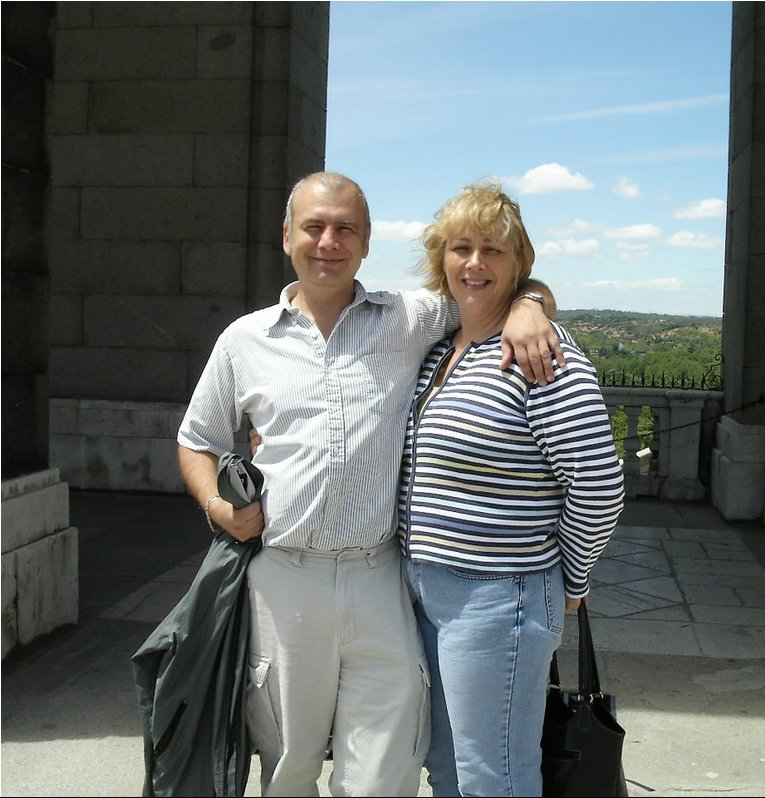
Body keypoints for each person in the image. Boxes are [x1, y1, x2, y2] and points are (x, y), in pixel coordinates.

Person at [176, 171, 566, 797]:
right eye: (314, 227)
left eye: (345, 230)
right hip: (285, 577)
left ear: (365, 244)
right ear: (286, 237)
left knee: (387, 764)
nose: (328, 241)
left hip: (381, 575)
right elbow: (196, 438)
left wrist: (530, 304)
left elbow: (488, 282)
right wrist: (217, 505)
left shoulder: (407, 319)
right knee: (287, 760)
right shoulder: (243, 341)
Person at [397, 180, 625, 797]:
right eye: (461, 247)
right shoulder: (441, 350)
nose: (475, 263)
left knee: (491, 775)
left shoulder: (542, 356)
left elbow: (599, 485)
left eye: (494, 250)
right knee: (446, 767)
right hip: (424, 589)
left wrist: (570, 581)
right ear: (440, 258)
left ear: (519, 263)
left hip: (499, 596)